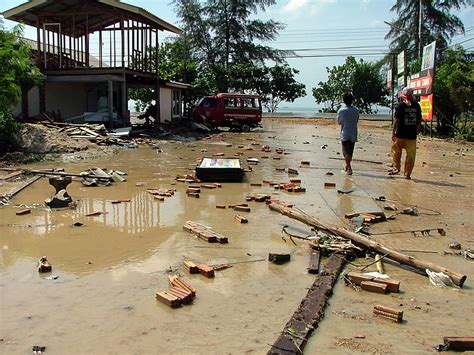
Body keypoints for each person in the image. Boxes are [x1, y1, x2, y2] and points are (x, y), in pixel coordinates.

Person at [390, 87, 422, 179]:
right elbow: (419, 121)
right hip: (411, 136)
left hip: (400, 134)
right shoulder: (416, 105)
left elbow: (397, 120)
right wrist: (416, 131)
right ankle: (407, 174)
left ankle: (396, 168)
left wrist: (393, 132)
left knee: (396, 152)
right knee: (411, 155)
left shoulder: (401, 105)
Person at [337, 93, 359, 175]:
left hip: (345, 132)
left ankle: (349, 167)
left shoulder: (342, 111)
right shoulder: (356, 110)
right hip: (353, 132)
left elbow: (339, 122)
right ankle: (347, 166)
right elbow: (356, 120)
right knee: (350, 151)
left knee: (345, 151)